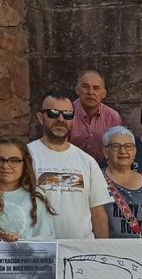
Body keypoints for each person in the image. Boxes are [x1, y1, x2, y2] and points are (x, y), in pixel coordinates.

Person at [28, 92, 111, 239]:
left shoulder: (87, 161)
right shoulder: (26, 156)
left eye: (67, 115)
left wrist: (102, 250)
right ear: (40, 118)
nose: (60, 119)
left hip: (81, 251)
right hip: (38, 252)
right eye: (53, 113)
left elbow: (98, 213)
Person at [0, 136, 56, 240]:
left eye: (14, 160)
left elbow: (45, 237)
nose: (5, 166)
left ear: (25, 163)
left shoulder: (35, 195)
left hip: (25, 255)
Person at [102, 126, 142, 238]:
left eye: (128, 146)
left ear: (135, 152)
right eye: (116, 147)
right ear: (106, 152)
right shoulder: (97, 180)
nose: (123, 151)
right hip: (109, 252)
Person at [69, 70, 123, 166]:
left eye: (96, 88)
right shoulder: (67, 113)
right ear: (77, 90)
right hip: (71, 167)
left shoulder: (112, 117)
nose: (90, 92)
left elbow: (116, 150)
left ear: (104, 93)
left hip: (103, 170)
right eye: (85, 87)